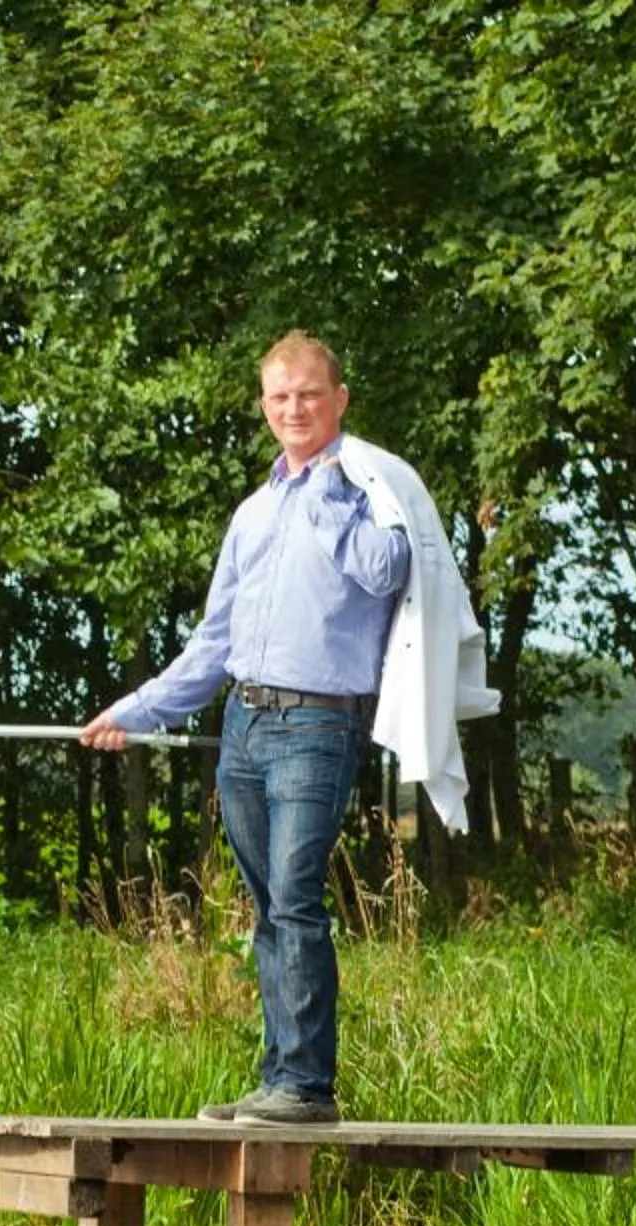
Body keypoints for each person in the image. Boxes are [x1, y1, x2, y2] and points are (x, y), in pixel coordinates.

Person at [79, 331, 436, 1126]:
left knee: (299, 900)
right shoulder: (251, 513)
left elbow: (387, 571)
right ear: (264, 406)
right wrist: (135, 714)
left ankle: (307, 1087)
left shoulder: (370, 494)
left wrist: (332, 497)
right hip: (244, 724)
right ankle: (279, 1076)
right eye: (280, 397)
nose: (294, 408)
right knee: (269, 906)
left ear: (339, 400)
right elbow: (213, 643)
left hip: (317, 724)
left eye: (309, 394)